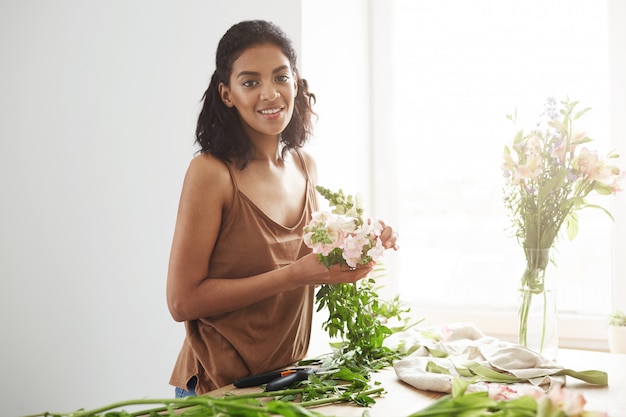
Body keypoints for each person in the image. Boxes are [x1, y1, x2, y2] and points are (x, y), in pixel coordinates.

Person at [166, 19, 398, 397]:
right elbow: (182, 301)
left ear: (296, 82)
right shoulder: (211, 172)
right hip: (218, 388)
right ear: (227, 94)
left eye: (280, 77)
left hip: (285, 381)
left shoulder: (305, 166)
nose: (270, 94)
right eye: (250, 82)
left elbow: (309, 263)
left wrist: (363, 243)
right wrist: (294, 275)